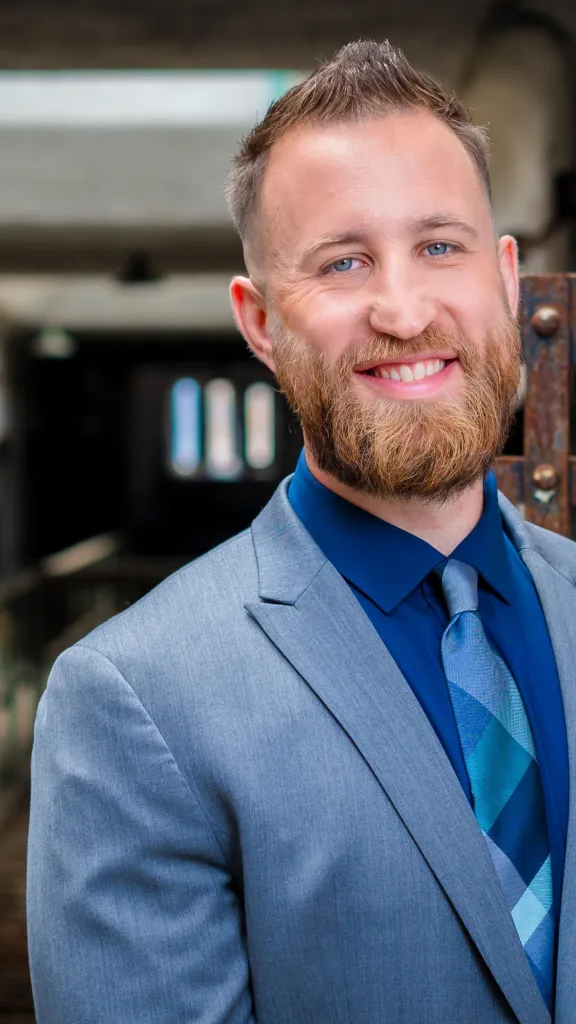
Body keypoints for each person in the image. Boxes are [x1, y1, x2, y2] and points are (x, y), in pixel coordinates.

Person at [26, 39, 576, 1024]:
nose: (403, 310)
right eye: (343, 262)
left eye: (439, 246)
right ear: (261, 322)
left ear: (505, 277)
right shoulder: (133, 697)